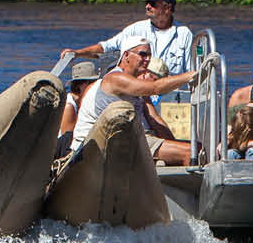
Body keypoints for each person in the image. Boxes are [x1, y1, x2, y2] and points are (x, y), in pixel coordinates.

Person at [67, 39, 198, 165]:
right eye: (142, 54)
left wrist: (172, 144)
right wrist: (192, 75)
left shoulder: (136, 88)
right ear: (126, 55)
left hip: (125, 139)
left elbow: (155, 119)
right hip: (104, 145)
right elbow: (155, 88)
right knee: (190, 152)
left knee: (196, 147)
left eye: (149, 56)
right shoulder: (115, 78)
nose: (147, 59)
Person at [63, 0, 193, 77]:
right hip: (140, 96)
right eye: (147, 2)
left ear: (167, 8)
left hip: (173, 99)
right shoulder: (135, 29)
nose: (147, 6)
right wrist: (77, 53)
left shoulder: (184, 34)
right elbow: (106, 47)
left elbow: (192, 70)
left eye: (153, 3)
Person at [56, 61, 102, 154]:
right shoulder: (69, 106)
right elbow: (68, 139)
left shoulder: (81, 102)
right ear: (83, 84)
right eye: (93, 82)